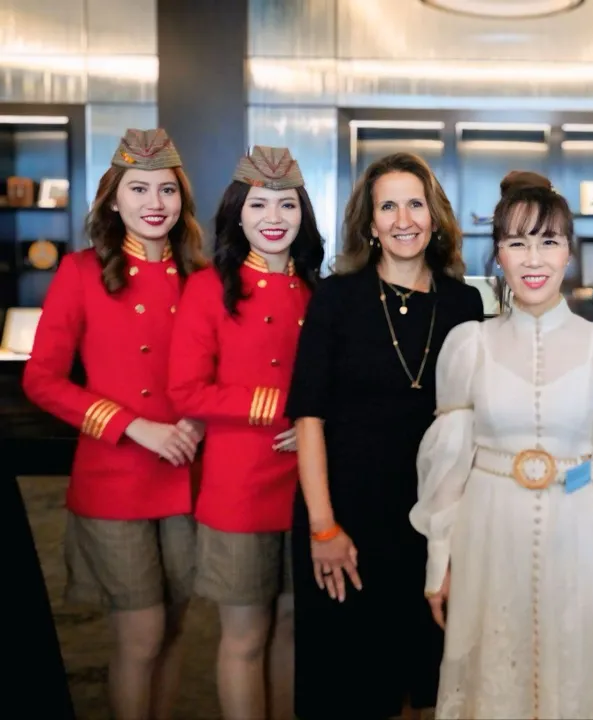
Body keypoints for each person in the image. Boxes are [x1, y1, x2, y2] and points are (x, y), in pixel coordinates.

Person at [409, 169, 593, 719]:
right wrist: (438, 564)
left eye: (548, 242)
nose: (534, 259)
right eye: (517, 243)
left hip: (579, 536)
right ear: (498, 255)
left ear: (570, 251)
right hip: (486, 534)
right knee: (492, 679)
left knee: (575, 680)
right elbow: (448, 468)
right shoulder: (467, 344)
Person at [285, 152, 483, 720]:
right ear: (369, 224)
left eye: (415, 204)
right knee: (350, 685)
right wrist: (323, 526)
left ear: (435, 216)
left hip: (431, 522)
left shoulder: (465, 304)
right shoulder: (336, 299)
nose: (403, 219)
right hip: (344, 520)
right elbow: (309, 418)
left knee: (428, 678)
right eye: (387, 206)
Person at [22, 128, 206, 720]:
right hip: (115, 477)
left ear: (182, 201)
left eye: (166, 190)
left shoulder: (201, 276)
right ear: (114, 199)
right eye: (139, 189)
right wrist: (133, 426)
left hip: (188, 475)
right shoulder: (79, 272)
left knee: (177, 626)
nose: (155, 203)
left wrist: (198, 422)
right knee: (142, 633)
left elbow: (222, 367)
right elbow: (42, 380)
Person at [167, 146, 324, 720]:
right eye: (259, 204)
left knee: (290, 628)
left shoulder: (317, 288)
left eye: (287, 204)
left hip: (308, 486)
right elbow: (186, 392)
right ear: (238, 213)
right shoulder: (210, 287)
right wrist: (283, 408)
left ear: (303, 213)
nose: (274, 217)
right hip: (238, 487)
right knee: (244, 636)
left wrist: (313, 418)